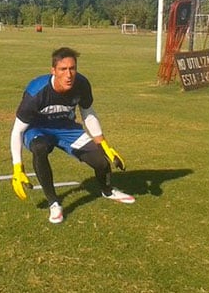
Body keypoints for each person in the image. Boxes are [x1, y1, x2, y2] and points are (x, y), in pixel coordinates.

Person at [10, 46, 134, 224]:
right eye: (63, 69)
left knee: (100, 161)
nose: (68, 74)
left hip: (67, 129)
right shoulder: (36, 92)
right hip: (38, 129)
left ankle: (108, 191)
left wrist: (104, 145)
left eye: (72, 68)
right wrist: (17, 168)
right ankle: (54, 203)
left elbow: (88, 113)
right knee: (40, 148)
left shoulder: (81, 84)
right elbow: (17, 130)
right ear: (53, 71)